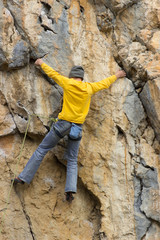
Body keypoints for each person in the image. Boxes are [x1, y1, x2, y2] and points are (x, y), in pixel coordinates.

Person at [12, 59, 126, 202]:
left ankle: (23, 178)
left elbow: (53, 74)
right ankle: (70, 191)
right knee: (72, 159)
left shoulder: (67, 83)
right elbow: (104, 83)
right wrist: (117, 75)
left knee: (42, 149)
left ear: (72, 76)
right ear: (82, 77)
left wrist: (41, 63)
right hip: (77, 128)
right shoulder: (89, 88)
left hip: (62, 125)